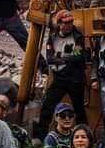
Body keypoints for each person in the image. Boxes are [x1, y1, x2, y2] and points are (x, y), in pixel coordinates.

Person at [37, 10, 87, 140]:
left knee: (79, 110)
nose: (69, 25)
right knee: (47, 107)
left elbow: (78, 56)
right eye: (65, 23)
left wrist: (60, 57)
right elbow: (49, 58)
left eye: (70, 22)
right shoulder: (53, 36)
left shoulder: (78, 36)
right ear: (59, 24)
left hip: (75, 78)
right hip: (59, 78)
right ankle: (41, 138)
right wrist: (65, 59)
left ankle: (85, 136)